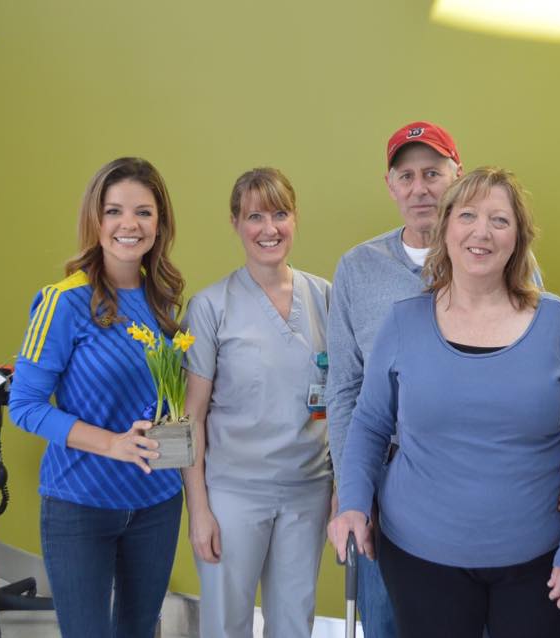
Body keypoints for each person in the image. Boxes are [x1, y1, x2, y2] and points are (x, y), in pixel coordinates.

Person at [330, 167, 560, 638]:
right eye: (468, 216)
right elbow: (370, 423)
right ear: (446, 228)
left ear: (518, 238)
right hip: (420, 560)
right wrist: (353, 502)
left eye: (499, 220)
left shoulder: (556, 322)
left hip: (538, 563)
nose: (482, 231)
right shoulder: (404, 323)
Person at [8, 157, 186, 638]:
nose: (129, 224)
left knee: (139, 630)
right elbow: (24, 405)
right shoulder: (64, 301)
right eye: (114, 211)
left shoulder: (165, 300)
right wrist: (112, 444)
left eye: (144, 212)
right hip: (81, 504)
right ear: (96, 219)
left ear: (159, 223)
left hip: (157, 502)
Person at [325, 121, 465, 637]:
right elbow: (344, 388)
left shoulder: (495, 252)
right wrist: (351, 487)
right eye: (406, 176)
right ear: (390, 186)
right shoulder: (357, 269)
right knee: (387, 624)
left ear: (458, 174)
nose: (420, 188)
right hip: (384, 483)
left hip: (474, 482)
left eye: (433, 172)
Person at [181, 168, 332, 637]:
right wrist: (199, 511)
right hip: (233, 494)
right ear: (235, 223)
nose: (270, 229)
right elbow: (193, 417)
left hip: (308, 489)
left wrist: (343, 489)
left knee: (293, 621)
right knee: (226, 623)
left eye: (280, 214)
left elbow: (345, 400)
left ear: (296, 218)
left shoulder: (325, 296)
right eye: (255, 216)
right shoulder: (211, 306)